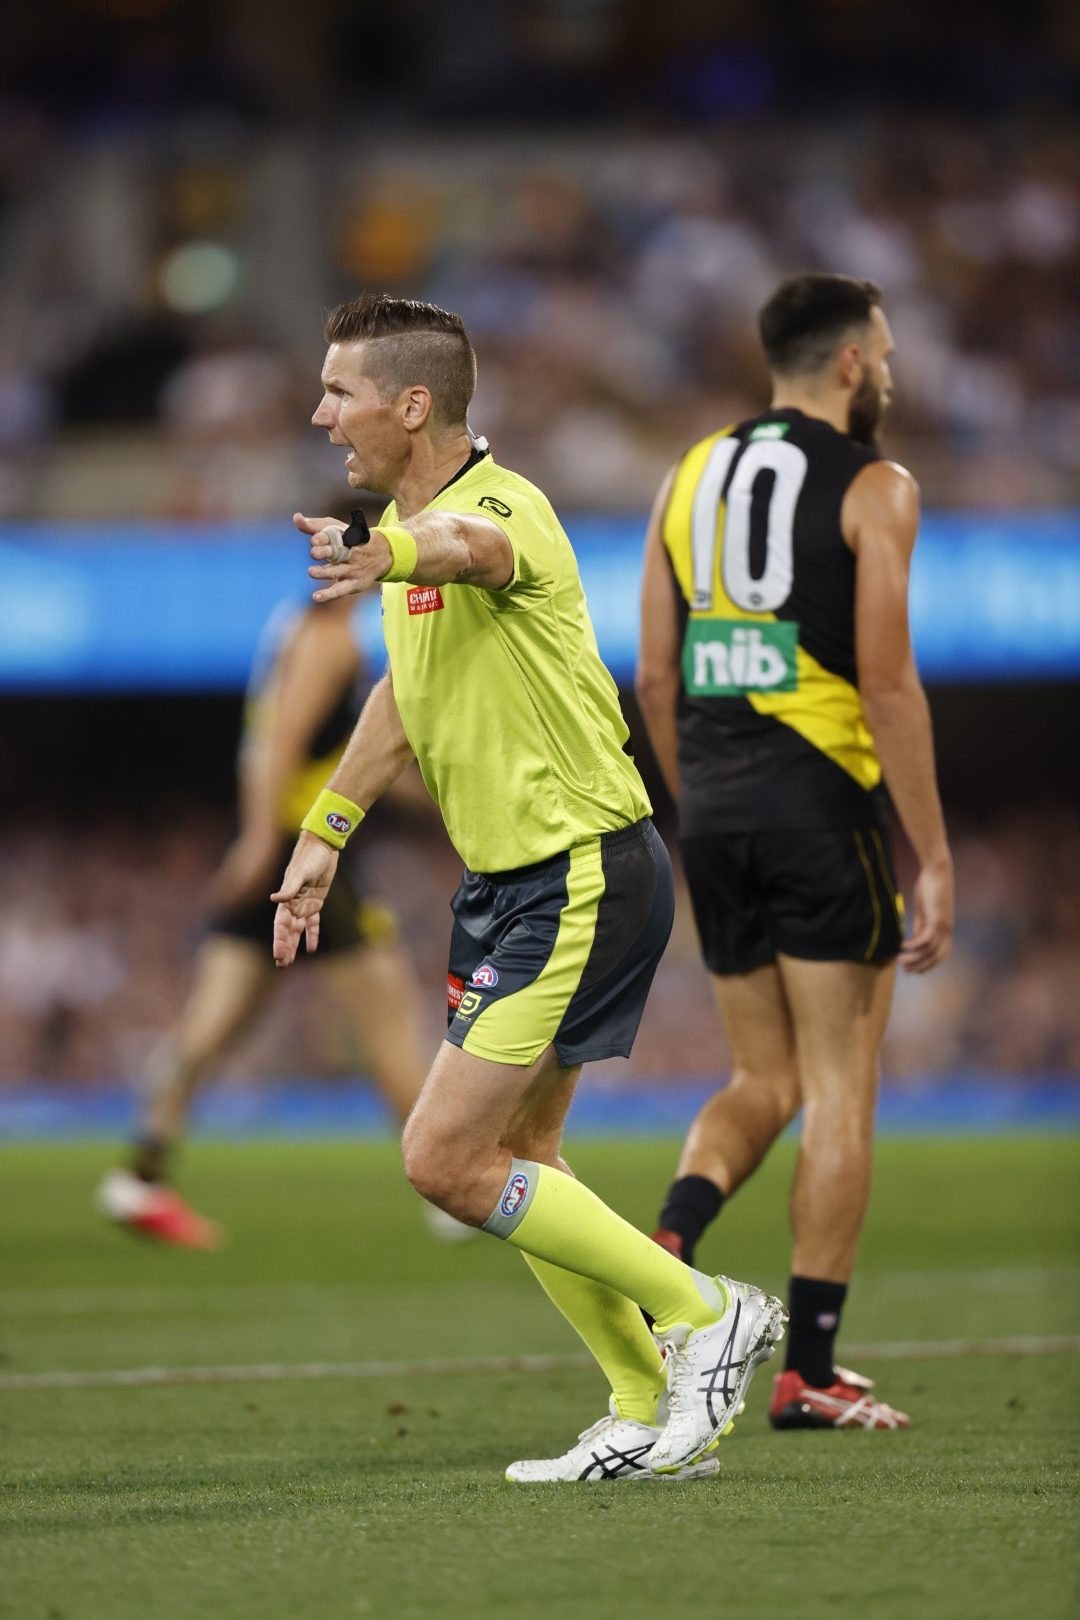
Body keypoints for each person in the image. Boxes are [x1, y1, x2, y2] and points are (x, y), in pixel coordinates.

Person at [271, 292, 785, 1482]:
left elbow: (473, 555)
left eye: (339, 392)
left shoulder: (497, 512)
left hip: (582, 869)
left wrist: (383, 550)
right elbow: (403, 695)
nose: (319, 413)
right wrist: (325, 829)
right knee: (520, 1156)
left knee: (445, 1161)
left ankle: (709, 1313)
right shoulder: (413, 528)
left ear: (413, 404)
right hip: (514, 883)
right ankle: (648, 1400)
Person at [636, 271, 954, 1431]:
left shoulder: (684, 476)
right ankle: (807, 1370)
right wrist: (934, 853)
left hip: (713, 814)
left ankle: (662, 1260)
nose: (894, 371)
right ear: (854, 364)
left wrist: (703, 801)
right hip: (822, 814)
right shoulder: (879, 485)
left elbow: (657, 676)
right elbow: (886, 682)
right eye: (889, 352)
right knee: (838, 1087)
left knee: (758, 1081)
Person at [96, 590, 450, 1248]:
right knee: (389, 1014)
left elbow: (329, 753)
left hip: (277, 837)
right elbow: (282, 744)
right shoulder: (330, 641)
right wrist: (263, 843)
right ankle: (447, 1186)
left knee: (212, 1023)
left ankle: (139, 1174)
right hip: (301, 846)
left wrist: (443, 803)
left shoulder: (295, 629)